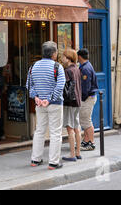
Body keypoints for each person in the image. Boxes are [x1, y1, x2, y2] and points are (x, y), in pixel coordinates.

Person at [27, 41, 66, 170]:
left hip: (39, 104)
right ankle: (53, 162)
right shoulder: (57, 67)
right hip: (54, 104)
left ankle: (35, 159)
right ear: (54, 54)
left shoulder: (33, 66)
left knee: (39, 131)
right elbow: (60, 85)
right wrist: (49, 99)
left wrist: (36, 97)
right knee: (55, 132)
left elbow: (29, 85)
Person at [60, 49, 82, 162]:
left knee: (70, 129)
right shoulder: (77, 69)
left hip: (69, 102)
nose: (62, 58)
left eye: (63, 56)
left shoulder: (67, 71)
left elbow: (65, 87)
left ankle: (72, 154)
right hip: (77, 101)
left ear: (68, 58)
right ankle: (78, 152)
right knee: (76, 128)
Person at [77, 48, 99, 151]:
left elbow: (85, 87)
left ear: (79, 57)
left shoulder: (85, 68)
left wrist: (82, 98)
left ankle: (91, 143)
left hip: (87, 98)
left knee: (86, 121)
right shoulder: (87, 66)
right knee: (84, 120)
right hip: (90, 97)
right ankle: (86, 141)